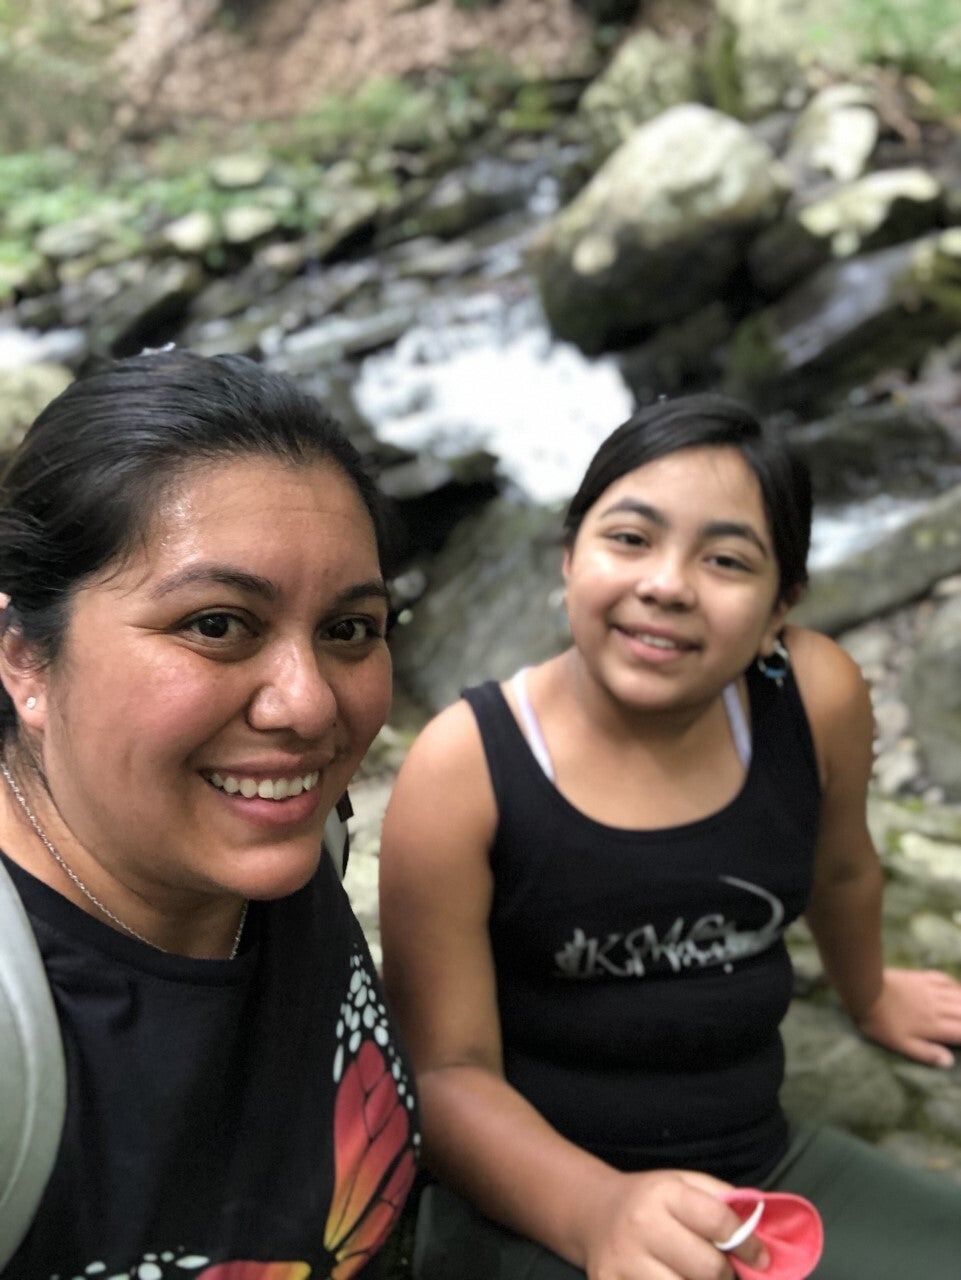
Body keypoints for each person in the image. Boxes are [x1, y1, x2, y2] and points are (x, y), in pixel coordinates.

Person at [378, 393, 961, 1280]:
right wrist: (598, 1212)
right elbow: (444, 1071)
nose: (666, 584)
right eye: (629, 539)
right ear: (569, 556)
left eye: (726, 559)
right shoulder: (465, 767)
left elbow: (841, 869)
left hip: (760, 1172)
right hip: (536, 1197)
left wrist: (870, 992)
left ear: (780, 607)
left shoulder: (811, 697)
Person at [0, 350, 418, 1279]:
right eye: (217, 624)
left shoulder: (294, 834)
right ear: (26, 657)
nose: (308, 706)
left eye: (349, 629)